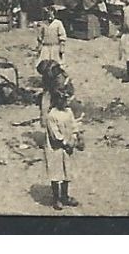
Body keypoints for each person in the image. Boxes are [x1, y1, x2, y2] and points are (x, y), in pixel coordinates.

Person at [43, 82, 82, 210]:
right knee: (56, 172)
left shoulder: (68, 112)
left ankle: (65, 196)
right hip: (55, 148)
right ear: (56, 100)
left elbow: (74, 126)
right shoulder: (51, 115)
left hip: (68, 145)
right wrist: (65, 143)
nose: (65, 102)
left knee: (67, 171)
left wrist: (74, 138)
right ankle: (56, 198)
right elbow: (55, 135)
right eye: (62, 99)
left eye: (66, 99)